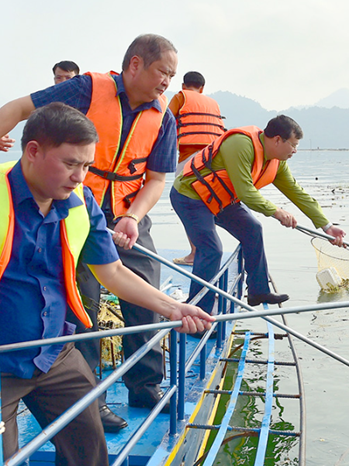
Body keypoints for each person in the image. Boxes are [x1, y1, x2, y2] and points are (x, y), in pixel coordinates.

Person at [0, 103, 213, 465]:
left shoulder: (82, 201)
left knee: (89, 450)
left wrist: (173, 307)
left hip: (56, 351)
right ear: (32, 151)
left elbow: (112, 272)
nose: (80, 177)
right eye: (70, 164)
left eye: (86, 166)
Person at [0, 33, 179, 432]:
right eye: (162, 72)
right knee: (83, 301)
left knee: (147, 285)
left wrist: (133, 215)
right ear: (135, 64)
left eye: (172, 75)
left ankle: (145, 384)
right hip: (72, 209)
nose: (167, 81)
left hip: (127, 212)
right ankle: (89, 398)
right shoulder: (85, 89)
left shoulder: (162, 117)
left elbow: (155, 179)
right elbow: (18, 108)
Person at [170, 115, 346, 314]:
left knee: (252, 229)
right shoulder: (240, 144)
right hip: (191, 196)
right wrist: (277, 212)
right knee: (211, 250)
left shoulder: (276, 162)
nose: (295, 151)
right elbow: (246, 192)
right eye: (293, 145)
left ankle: (258, 292)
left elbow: (297, 193)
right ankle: (197, 313)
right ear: (278, 139)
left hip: (221, 199)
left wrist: (327, 226)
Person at [167, 71, 225, 266]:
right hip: (212, 160)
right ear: (202, 88)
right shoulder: (213, 103)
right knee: (202, 206)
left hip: (189, 159)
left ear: (184, 86)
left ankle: (194, 253)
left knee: (187, 205)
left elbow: (164, 121)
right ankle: (202, 249)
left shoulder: (180, 97)